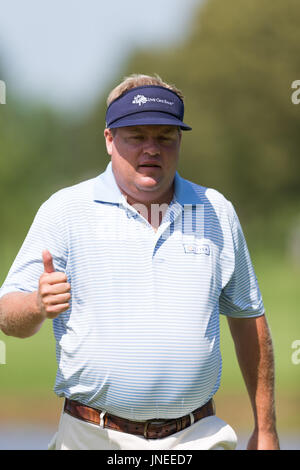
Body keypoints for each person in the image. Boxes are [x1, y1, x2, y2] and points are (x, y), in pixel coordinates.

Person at [0, 74, 279, 451]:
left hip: (196, 437)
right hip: (92, 437)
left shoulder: (216, 210)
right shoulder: (65, 211)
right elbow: (7, 315)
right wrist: (36, 305)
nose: (152, 149)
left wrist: (265, 429)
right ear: (109, 140)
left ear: (179, 141)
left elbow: (248, 319)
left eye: (165, 137)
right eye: (137, 136)